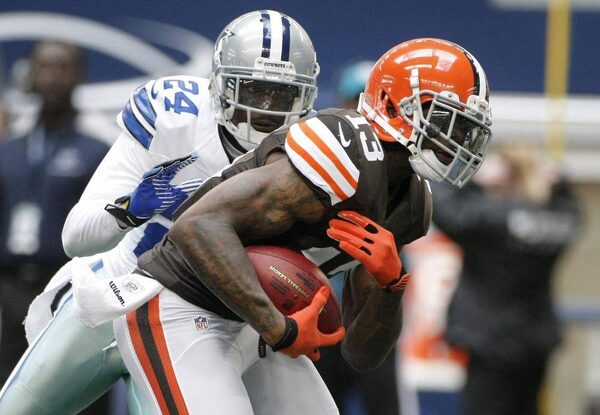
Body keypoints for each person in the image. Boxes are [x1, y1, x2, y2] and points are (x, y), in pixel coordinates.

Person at [95, 37, 493, 414]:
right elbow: (197, 225)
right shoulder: (343, 151)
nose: (460, 136)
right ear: (393, 105)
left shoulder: (412, 203)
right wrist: (278, 329)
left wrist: (391, 285)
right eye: (449, 120)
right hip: (180, 303)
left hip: (249, 322)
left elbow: (361, 354)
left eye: (467, 127)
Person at [0, 10, 320, 415]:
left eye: (283, 95)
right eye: (255, 91)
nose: (267, 109)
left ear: (306, 98)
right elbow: (75, 237)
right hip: (112, 297)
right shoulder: (177, 118)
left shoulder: (311, 157)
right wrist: (130, 211)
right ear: (222, 84)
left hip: (200, 327)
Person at [431, 142, 581, 415]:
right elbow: (574, 213)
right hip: (535, 341)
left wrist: (471, 179)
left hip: (489, 341)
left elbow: (446, 210)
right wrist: (562, 185)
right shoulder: (553, 218)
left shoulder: (492, 219)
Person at [0, 40, 110, 386]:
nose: (52, 77)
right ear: (30, 75)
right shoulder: (9, 150)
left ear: (79, 76)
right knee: (10, 386)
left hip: (69, 289)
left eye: (62, 67)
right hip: (10, 288)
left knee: (75, 386)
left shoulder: (97, 150)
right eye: (44, 67)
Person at [314, 58, 401, 415]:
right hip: (318, 318)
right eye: (358, 101)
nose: (367, 114)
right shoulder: (315, 163)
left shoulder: (399, 170)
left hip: (369, 317)